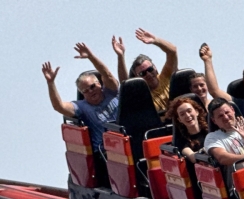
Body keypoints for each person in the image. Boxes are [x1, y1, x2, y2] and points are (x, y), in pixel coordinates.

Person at [42, 43, 119, 187]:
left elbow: (107, 74)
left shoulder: (112, 92)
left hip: (127, 140)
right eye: (86, 91)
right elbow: (58, 106)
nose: (91, 91)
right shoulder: (82, 107)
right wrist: (51, 83)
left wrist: (91, 56)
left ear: (99, 84)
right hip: (105, 153)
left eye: (92, 87)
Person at [113, 29, 178, 114]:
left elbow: (172, 51)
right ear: (137, 78)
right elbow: (125, 83)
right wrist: (120, 56)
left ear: (155, 67)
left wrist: (156, 40)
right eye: (142, 73)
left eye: (150, 69)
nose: (148, 74)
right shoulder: (141, 94)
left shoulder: (166, 75)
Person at [165, 97, 208, 163]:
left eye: (189, 111)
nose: (187, 115)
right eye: (182, 114)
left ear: (196, 112)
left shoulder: (210, 130)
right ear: (179, 120)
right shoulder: (182, 141)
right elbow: (192, 157)